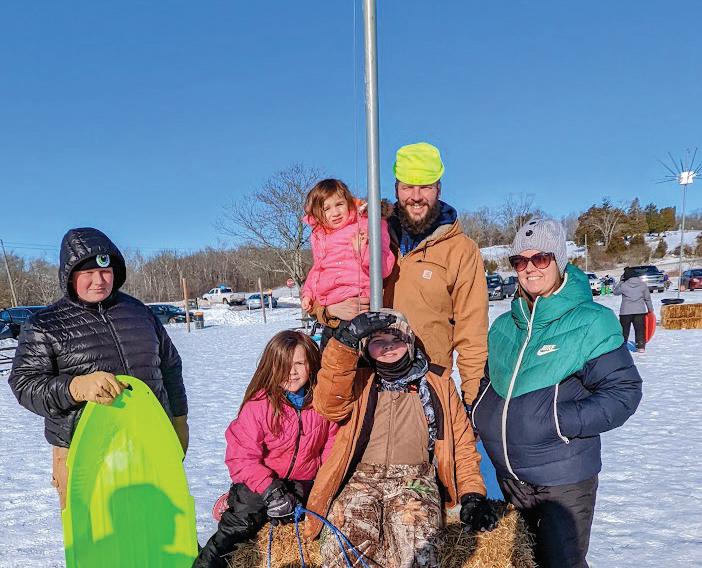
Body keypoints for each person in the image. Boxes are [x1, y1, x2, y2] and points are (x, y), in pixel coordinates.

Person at [471, 219, 643, 568]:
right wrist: (479, 414)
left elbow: (623, 392)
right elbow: (489, 382)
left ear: (559, 260)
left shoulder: (592, 321)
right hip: (510, 480)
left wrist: (556, 421)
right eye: (520, 261)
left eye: (540, 258)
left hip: (562, 480)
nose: (529, 268)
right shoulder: (504, 325)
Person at [9, 227, 188, 510]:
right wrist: (75, 387)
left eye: (105, 272)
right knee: (98, 532)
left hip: (150, 440)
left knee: (158, 523)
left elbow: (170, 368)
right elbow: (24, 384)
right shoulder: (44, 324)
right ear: (70, 276)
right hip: (83, 452)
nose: (99, 281)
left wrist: (179, 421)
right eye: (88, 273)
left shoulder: (139, 312)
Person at [305, 311, 496, 568]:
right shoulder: (356, 380)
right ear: (366, 348)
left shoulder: (437, 383)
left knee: (418, 550)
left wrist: (472, 494)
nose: (388, 347)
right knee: (344, 548)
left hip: (415, 480)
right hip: (361, 479)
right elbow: (328, 405)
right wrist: (344, 343)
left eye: (396, 339)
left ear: (409, 342)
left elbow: (462, 444)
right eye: (378, 341)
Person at [310, 143, 489, 406]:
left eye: (425, 187)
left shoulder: (461, 250)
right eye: (407, 187)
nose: (416, 196)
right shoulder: (368, 231)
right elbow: (320, 286)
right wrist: (329, 310)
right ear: (396, 188)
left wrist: (473, 401)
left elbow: (472, 335)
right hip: (365, 382)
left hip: (426, 387)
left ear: (439, 188)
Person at [194, 331, 338, 568]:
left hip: (303, 482)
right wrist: (271, 491)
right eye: (283, 365)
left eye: (299, 364)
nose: (291, 372)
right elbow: (241, 457)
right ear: (271, 367)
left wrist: (322, 484)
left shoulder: (322, 405)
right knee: (240, 524)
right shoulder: (259, 405)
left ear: (311, 364)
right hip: (260, 483)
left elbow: (330, 449)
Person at [300, 179, 395, 337]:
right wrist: (308, 293)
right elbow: (318, 269)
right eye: (326, 209)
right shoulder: (320, 236)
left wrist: (362, 252)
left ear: (349, 202)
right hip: (332, 313)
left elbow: (384, 268)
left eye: (339, 204)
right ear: (317, 213)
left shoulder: (367, 223)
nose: (335, 213)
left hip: (359, 307)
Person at [614, 267, 654, 353]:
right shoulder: (643, 285)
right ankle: (640, 346)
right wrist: (650, 310)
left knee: (624, 330)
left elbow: (615, 292)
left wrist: (621, 281)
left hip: (625, 312)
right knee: (640, 329)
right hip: (640, 311)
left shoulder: (624, 285)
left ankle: (622, 346)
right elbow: (647, 298)